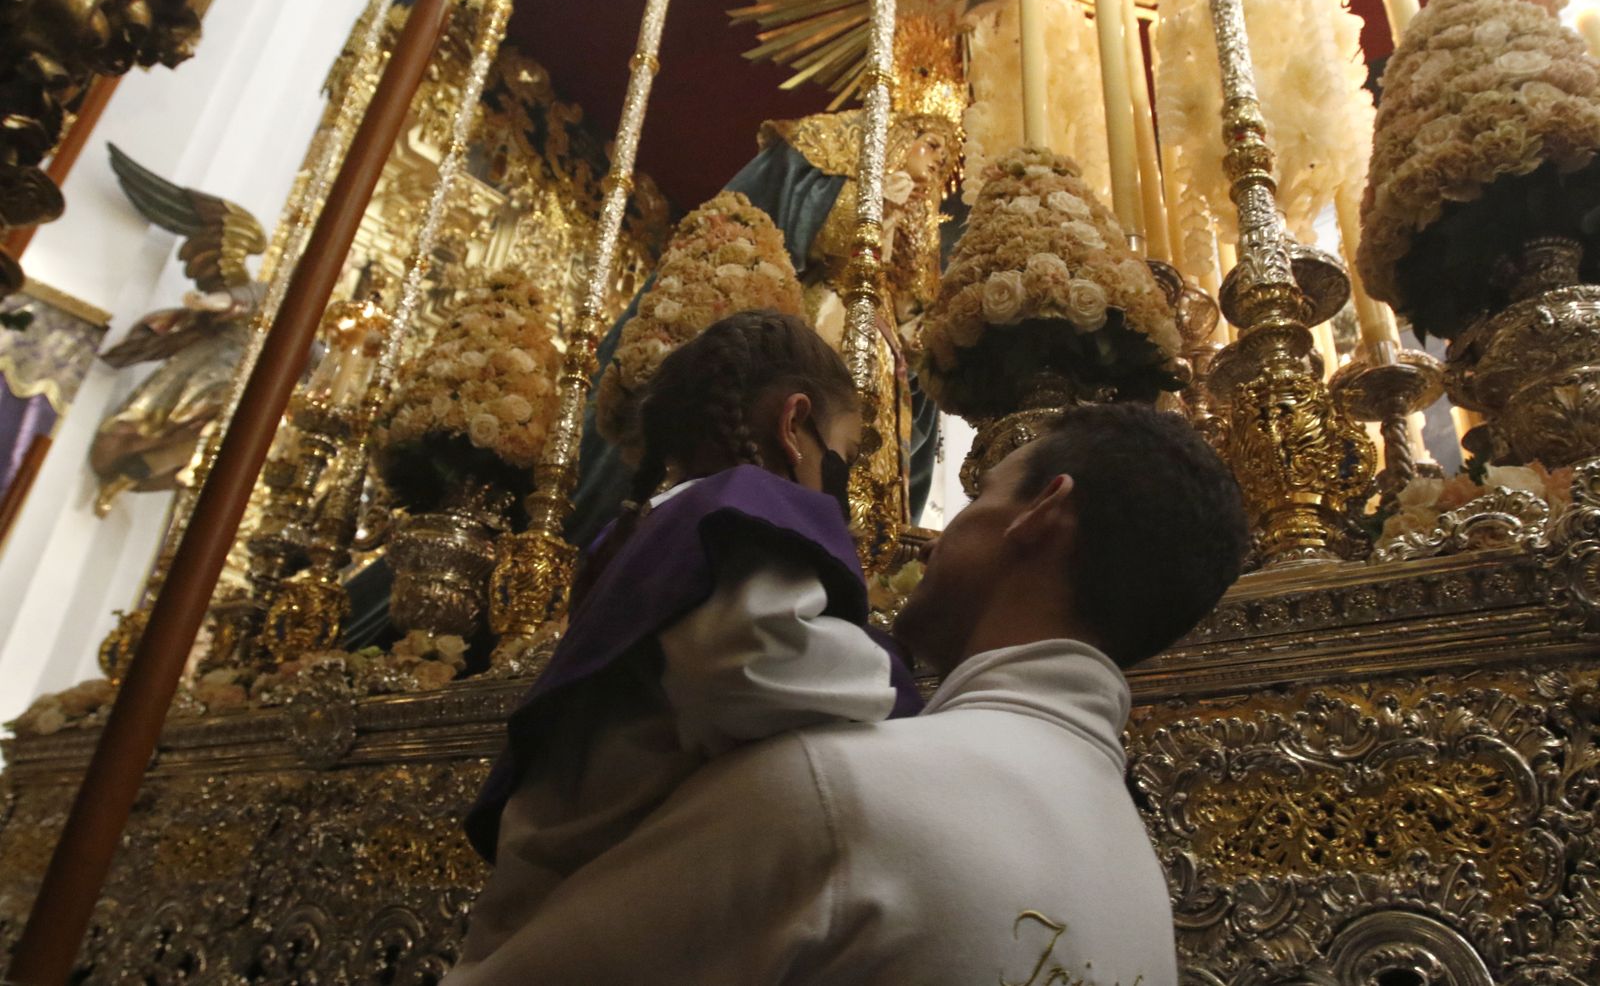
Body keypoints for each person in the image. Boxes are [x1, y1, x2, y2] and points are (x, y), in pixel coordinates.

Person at [445, 403, 1249, 986]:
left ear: (1041, 512)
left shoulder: (839, 795)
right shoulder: (1146, 892)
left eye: (980, 496)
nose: (941, 536)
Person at [448, 310, 924, 977]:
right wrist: (900, 675)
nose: (837, 486)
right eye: (839, 456)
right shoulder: (741, 507)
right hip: (574, 941)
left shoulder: (655, 525)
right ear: (794, 425)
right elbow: (747, 666)